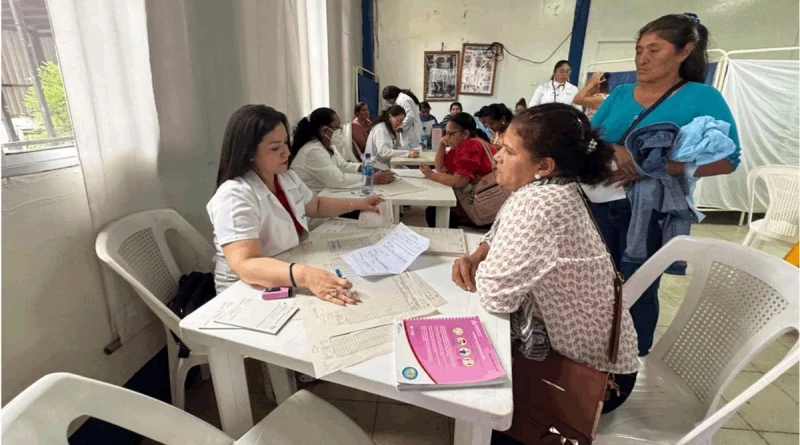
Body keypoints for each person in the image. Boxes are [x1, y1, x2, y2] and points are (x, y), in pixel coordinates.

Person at [451, 105, 640, 434]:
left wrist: (486, 268)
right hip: (595, 359)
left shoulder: (540, 204)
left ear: (544, 166)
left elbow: (496, 295)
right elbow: (498, 233)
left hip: (594, 378)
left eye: (508, 151)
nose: (496, 155)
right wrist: (477, 256)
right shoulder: (550, 187)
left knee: (483, 408)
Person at [586, 13, 740, 357]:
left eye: (654, 50)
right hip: (598, 204)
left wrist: (656, 167)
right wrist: (616, 146)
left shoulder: (702, 97)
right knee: (597, 282)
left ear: (683, 52)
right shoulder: (622, 93)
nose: (642, 58)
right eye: (639, 49)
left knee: (637, 286)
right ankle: (594, 354)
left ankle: (630, 361)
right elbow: (589, 137)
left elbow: (729, 160)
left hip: (650, 211)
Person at [207, 104, 385, 300]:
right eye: (275, 148)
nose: (286, 153)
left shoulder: (284, 177)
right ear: (248, 152)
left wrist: (359, 204)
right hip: (244, 290)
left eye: (285, 143)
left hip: (287, 266)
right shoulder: (234, 195)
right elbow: (246, 264)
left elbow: (315, 205)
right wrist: (305, 275)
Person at [420, 113, 497, 228]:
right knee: (435, 208)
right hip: (482, 198)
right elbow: (441, 168)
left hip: (486, 207)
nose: (447, 138)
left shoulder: (470, 146)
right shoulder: (462, 146)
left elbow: (458, 181)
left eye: (450, 134)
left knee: (434, 211)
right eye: (446, 134)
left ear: (465, 133)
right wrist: (441, 144)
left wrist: (430, 175)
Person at [290, 107, 394, 193]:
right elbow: (338, 180)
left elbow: (342, 165)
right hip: (313, 206)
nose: (340, 130)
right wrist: (373, 179)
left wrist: (365, 168)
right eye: (337, 127)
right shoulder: (312, 151)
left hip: (327, 195)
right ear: (324, 130)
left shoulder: (327, 146)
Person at [365, 105, 418, 170]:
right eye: (398, 120)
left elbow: (393, 148)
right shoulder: (381, 129)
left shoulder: (388, 128)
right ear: (390, 116)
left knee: (408, 170)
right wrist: (407, 153)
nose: (400, 124)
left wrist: (409, 151)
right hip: (377, 166)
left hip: (385, 164)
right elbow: (384, 152)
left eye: (401, 122)